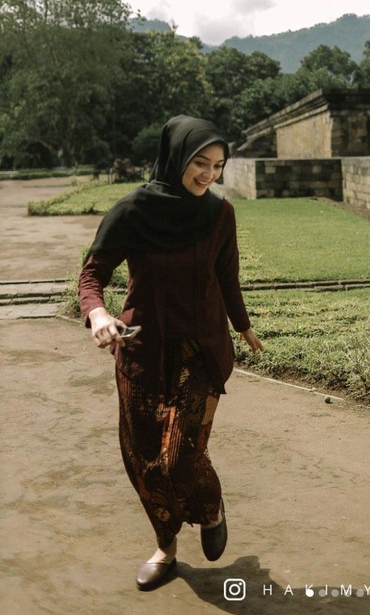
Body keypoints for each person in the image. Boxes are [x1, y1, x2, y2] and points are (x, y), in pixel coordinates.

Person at [78, 114, 263, 591]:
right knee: (142, 459)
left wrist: (242, 327)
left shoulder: (220, 214)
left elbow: (227, 277)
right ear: (176, 156)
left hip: (200, 353)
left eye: (218, 165)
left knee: (179, 456)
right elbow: (92, 275)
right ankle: (167, 547)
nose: (209, 174)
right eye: (200, 162)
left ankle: (211, 506)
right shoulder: (133, 211)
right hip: (143, 350)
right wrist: (98, 315)